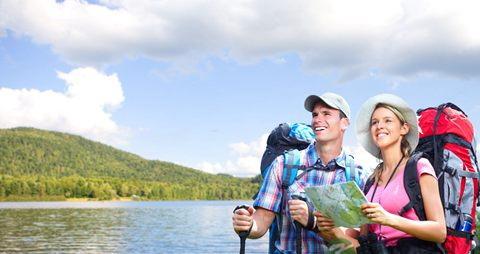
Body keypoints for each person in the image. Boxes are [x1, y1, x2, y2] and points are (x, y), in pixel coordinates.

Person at [232, 92, 368, 253]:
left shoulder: (357, 176)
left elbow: (359, 243)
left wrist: (314, 222)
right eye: (315, 114)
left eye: (326, 114)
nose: (317, 119)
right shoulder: (284, 165)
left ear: (344, 123)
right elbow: (261, 221)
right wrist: (248, 225)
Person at [355, 94, 446, 252]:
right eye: (374, 122)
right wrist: (318, 224)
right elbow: (362, 235)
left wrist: (390, 219)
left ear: (404, 128)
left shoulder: (419, 167)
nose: (379, 126)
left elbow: (439, 232)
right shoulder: (371, 182)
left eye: (387, 120)